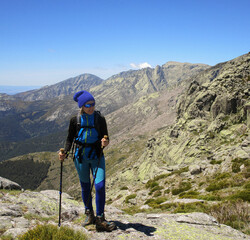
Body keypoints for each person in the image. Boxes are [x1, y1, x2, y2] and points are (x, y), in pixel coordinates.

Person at [58, 90, 116, 232]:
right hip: (80, 157)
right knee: (85, 186)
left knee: (100, 186)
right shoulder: (75, 120)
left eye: (93, 104)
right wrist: (64, 152)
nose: (91, 107)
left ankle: (100, 219)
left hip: (96, 156)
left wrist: (105, 142)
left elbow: (105, 136)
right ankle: (89, 214)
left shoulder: (99, 118)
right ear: (81, 106)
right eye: (88, 105)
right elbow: (69, 138)